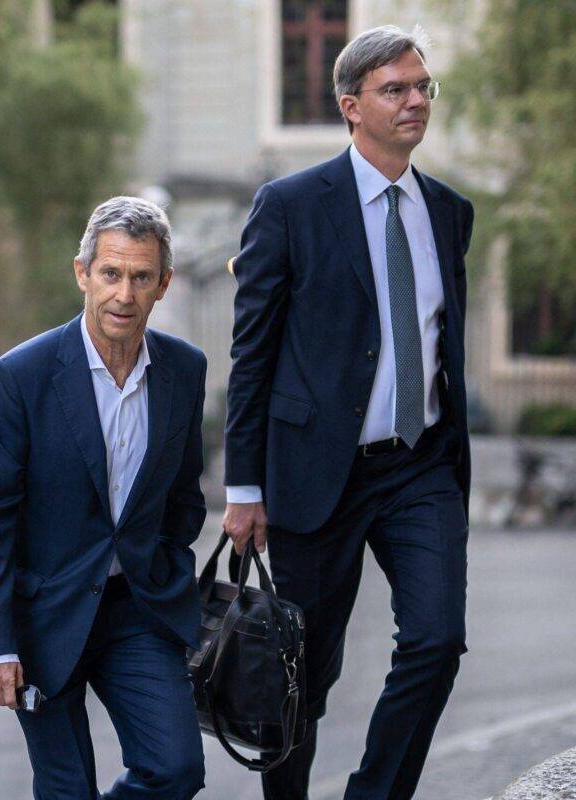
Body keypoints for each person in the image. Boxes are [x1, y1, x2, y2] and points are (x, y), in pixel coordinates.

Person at [223, 25, 475, 800]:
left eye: (423, 86)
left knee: (437, 641)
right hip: (314, 473)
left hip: (420, 466)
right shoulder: (291, 206)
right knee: (301, 675)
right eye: (394, 89)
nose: (414, 101)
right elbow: (252, 353)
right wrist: (242, 489)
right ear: (350, 105)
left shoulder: (449, 212)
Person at [0, 196, 208, 799]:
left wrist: (167, 566)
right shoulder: (21, 377)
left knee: (177, 769)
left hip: (137, 609)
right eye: (111, 273)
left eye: (141, 277)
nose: (124, 294)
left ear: (164, 284)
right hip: (45, 613)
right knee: (66, 787)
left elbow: (182, 493)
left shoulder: (185, 370)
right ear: (83, 273)